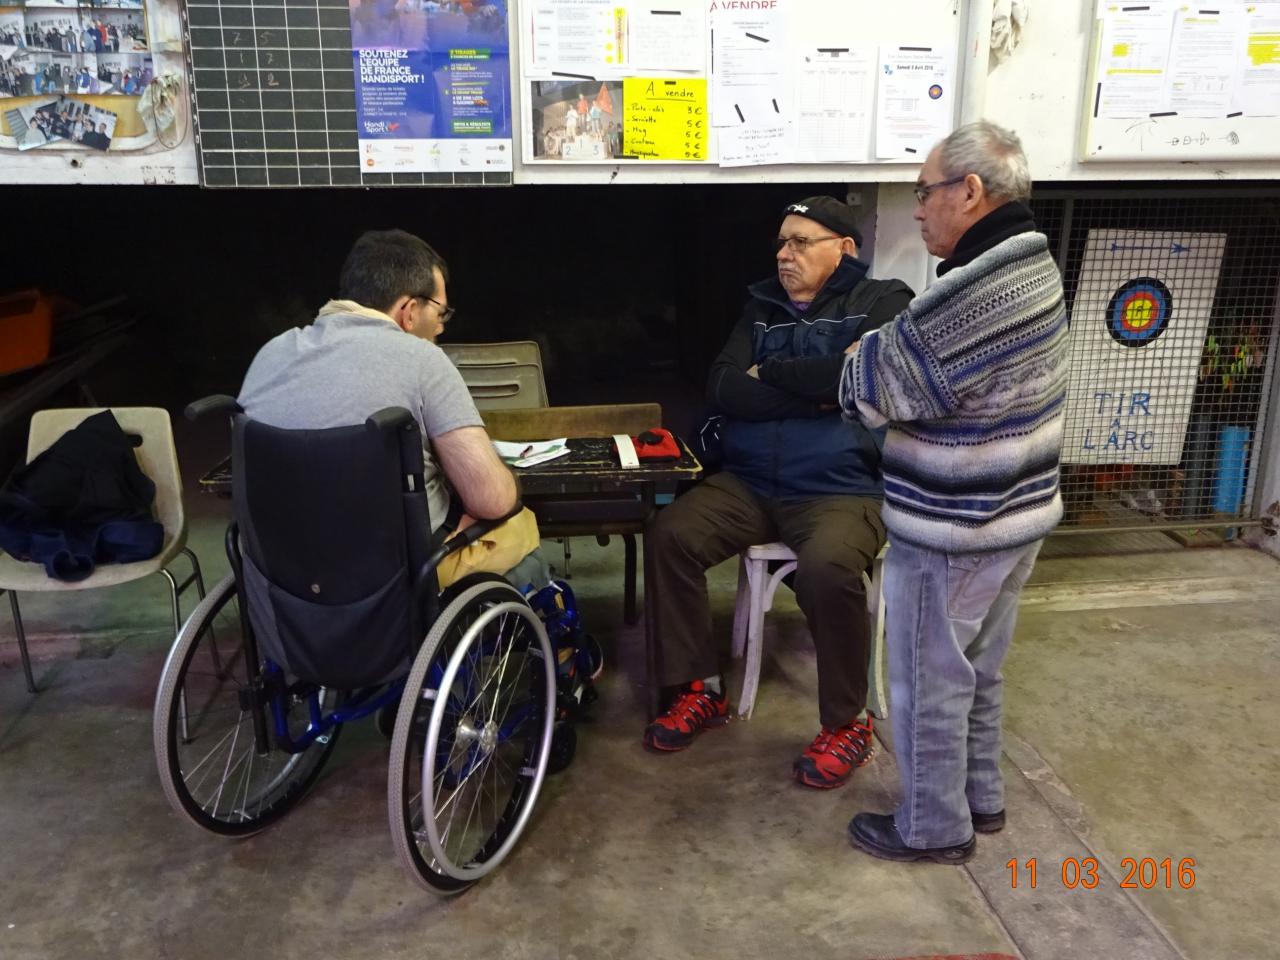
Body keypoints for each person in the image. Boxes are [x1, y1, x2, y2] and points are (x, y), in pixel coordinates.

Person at [840, 120, 1069, 863]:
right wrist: (888, 348)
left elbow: (873, 390)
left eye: (924, 192)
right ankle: (980, 797)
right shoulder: (1032, 260)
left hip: (956, 528)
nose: (917, 209)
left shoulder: (973, 291)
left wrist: (862, 353)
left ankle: (933, 828)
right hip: (1016, 515)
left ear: (969, 191)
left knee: (926, 682)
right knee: (977, 669)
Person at [643, 197, 914, 789]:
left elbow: (860, 379)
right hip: (750, 483)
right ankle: (698, 688)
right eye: (782, 243)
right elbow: (722, 387)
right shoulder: (761, 307)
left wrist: (769, 375)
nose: (784, 255)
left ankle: (846, 723)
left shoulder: (884, 302)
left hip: (841, 489)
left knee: (827, 568)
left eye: (800, 242)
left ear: (844, 248)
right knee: (671, 535)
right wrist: (820, 393)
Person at [238, 229, 546, 590]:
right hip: (395, 578)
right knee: (520, 525)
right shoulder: (423, 361)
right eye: (441, 312)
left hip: (286, 575)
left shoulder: (269, 356)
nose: (441, 326)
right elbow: (491, 500)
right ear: (409, 311)